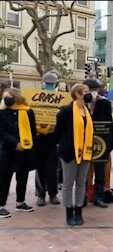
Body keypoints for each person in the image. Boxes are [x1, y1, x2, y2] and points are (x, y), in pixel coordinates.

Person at [55, 84, 94, 226]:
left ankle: (78, 210)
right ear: (77, 94)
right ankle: (68, 211)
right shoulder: (66, 111)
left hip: (85, 152)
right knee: (68, 183)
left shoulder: (87, 110)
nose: (89, 94)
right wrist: (61, 146)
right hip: (69, 153)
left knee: (81, 183)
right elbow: (57, 132)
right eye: (85, 92)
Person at [0, 88, 37, 218]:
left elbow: (33, 130)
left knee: (23, 176)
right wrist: (15, 143)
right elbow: (1, 132)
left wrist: (27, 143)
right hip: (7, 149)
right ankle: (1, 205)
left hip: (24, 150)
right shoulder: (2, 112)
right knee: (4, 177)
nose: (6, 100)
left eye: (9, 97)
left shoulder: (28, 111)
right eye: (5, 97)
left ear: (17, 97)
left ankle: (20, 202)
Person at [83, 79, 113, 208]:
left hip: (100, 144)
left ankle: (98, 197)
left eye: (95, 89)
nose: (93, 92)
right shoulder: (79, 104)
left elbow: (109, 124)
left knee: (100, 171)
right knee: (84, 172)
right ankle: (83, 196)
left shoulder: (105, 103)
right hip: (84, 143)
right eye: (90, 89)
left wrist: (109, 145)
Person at [35, 72, 61, 207]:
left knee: (53, 167)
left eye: (52, 84)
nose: (49, 85)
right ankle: (40, 194)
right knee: (40, 167)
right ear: (43, 83)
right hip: (39, 136)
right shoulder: (36, 98)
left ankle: (53, 193)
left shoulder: (61, 100)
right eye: (47, 83)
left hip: (54, 137)